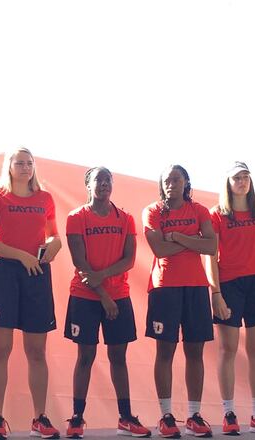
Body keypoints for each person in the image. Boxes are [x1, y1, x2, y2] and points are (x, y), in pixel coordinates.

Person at [0, 147, 62, 440]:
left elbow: (53, 234)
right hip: (2, 273)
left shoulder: (45, 198)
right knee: (0, 349)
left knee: (36, 351)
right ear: (9, 166)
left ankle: (40, 418)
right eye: (20, 163)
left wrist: (53, 245)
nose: (25, 167)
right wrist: (19, 256)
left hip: (36, 274)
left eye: (29, 163)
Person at [63, 167, 150, 438]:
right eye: (98, 180)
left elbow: (129, 260)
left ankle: (125, 418)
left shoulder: (125, 219)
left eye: (108, 180)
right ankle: (77, 418)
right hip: (85, 296)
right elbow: (80, 262)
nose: (104, 184)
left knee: (118, 356)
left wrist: (105, 283)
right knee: (85, 356)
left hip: (119, 296)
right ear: (88, 185)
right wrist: (102, 294)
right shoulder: (76, 217)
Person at [205, 162, 255, 436]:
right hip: (229, 286)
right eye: (237, 177)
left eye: (246, 177)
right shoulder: (217, 214)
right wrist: (215, 293)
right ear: (228, 182)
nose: (242, 182)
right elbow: (210, 257)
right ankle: (228, 413)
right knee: (228, 350)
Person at [142, 164, 216, 439]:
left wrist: (179, 238)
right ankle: (166, 416)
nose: (171, 183)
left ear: (186, 182)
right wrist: (193, 240)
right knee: (165, 353)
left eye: (177, 179)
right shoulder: (152, 211)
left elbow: (211, 246)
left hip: (196, 287)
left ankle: (194, 415)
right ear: (161, 185)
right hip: (165, 288)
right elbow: (159, 248)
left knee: (195, 353)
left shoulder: (199, 211)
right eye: (166, 180)